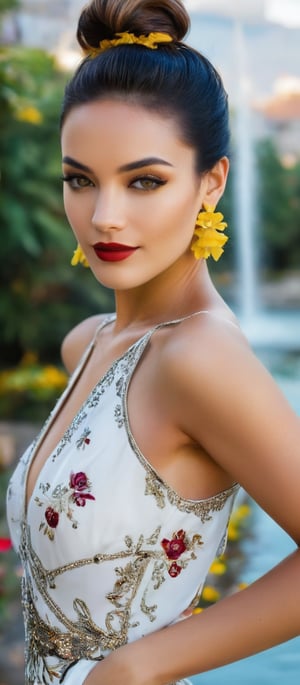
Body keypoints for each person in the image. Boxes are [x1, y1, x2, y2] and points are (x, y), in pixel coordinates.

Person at [6, 1, 300, 684]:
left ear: (211, 183)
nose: (104, 216)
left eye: (145, 181)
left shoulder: (200, 358)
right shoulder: (89, 344)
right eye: (80, 179)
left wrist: (138, 665)